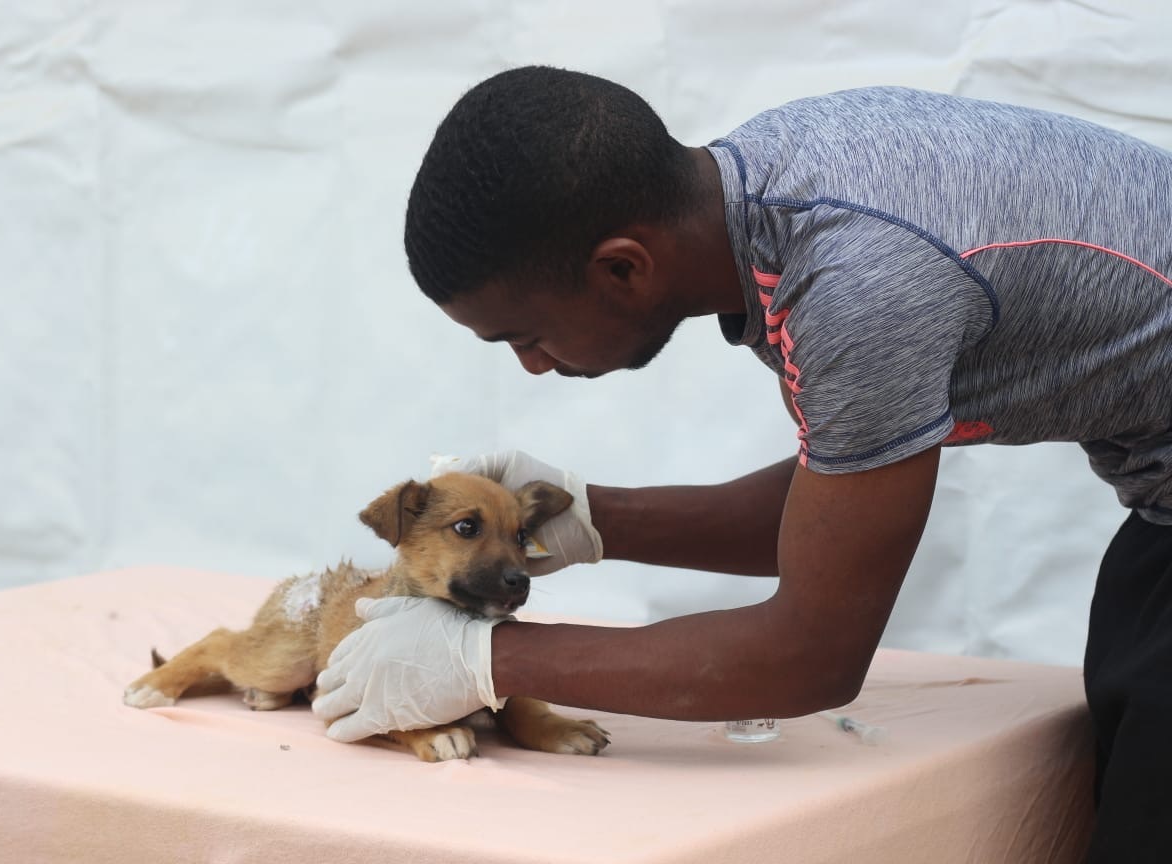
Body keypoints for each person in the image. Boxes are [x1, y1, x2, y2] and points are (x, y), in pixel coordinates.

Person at [312, 66, 1172, 859]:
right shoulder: (773, 183)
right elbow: (830, 516)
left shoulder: (857, 285)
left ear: (622, 268)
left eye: (526, 338)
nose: (532, 366)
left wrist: (487, 662)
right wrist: (589, 515)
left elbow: (811, 653)